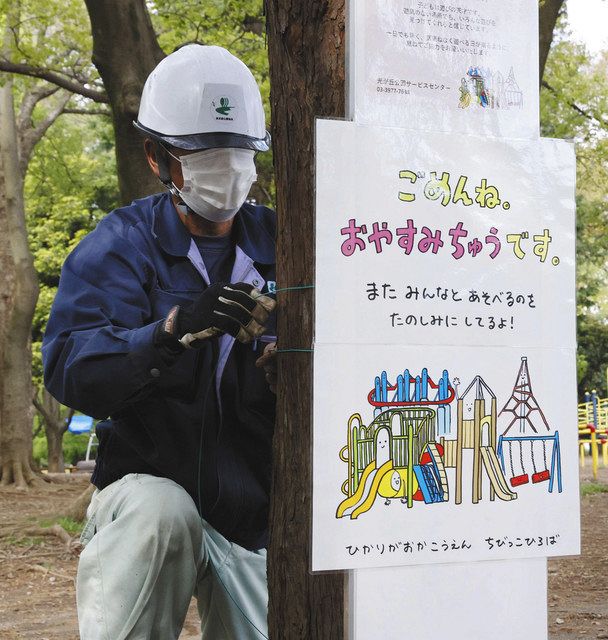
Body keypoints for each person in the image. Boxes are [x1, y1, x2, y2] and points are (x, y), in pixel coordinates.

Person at [42, 44, 278, 640]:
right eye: (203, 155)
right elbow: (70, 365)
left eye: (238, 153)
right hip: (147, 496)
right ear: (156, 156)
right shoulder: (120, 246)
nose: (225, 170)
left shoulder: (286, 241)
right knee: (160, 512)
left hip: (258, 513)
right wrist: (168, 333)